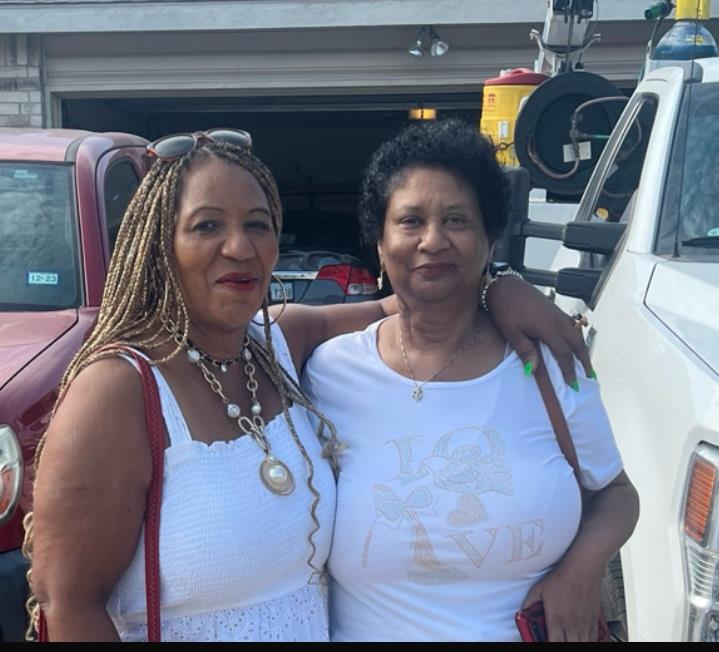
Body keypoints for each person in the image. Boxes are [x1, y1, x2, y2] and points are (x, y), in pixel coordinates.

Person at [25, 128, 596, 642]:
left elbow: (416, 297)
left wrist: (501, 287)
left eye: (257, 224)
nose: (240, 246)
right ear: (160, 245)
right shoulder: (120, 390)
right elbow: (67, 604)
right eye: (207, 226)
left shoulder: (281, 346)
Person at [304, 119, 640, 643]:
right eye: (410, 220)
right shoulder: (328, 373)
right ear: (379, 242)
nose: (433, 240)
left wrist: (582, 568)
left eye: (457, 220)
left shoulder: (549, 362)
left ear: (489, 239)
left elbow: (616, 493)